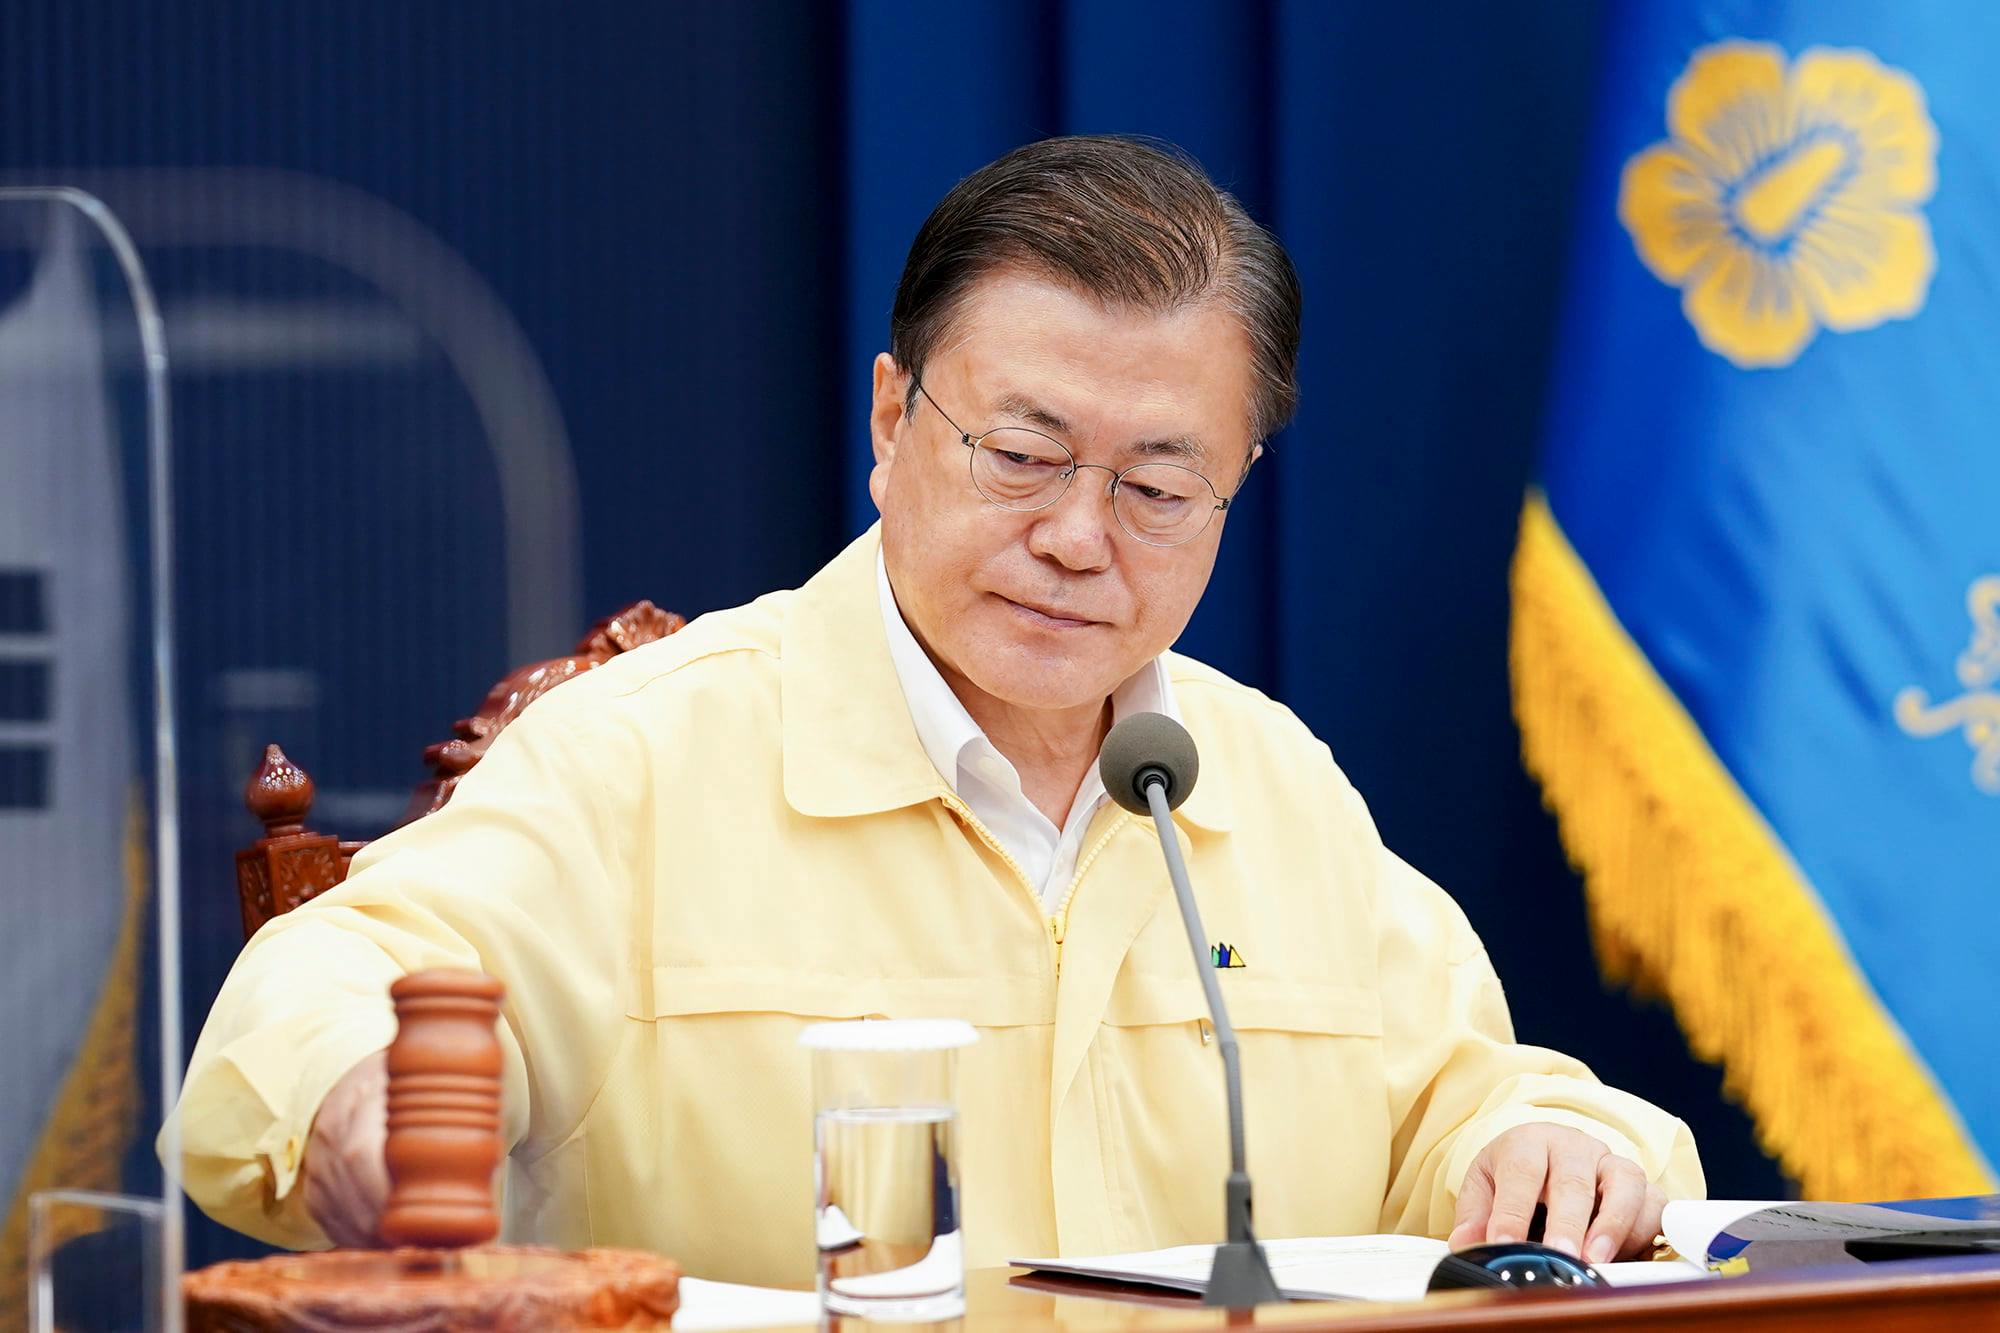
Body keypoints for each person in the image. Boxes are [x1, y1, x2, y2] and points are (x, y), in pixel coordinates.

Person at [166, 135, 1702, 1286]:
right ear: (894, 419)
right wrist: (365, 1099)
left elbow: (1466, 1097)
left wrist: (1562, 1147)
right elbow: (322, 996)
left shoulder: (1262, 780)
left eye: (1160, 485)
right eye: (1021, 456)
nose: (1080, 536)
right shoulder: (647, 755)